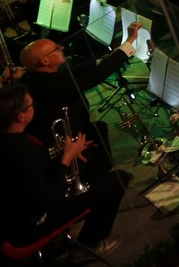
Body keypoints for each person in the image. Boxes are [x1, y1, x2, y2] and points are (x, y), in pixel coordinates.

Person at [0, 84, 127, 256]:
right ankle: (89, 244)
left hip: (4, 216)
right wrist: (66, 160)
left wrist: (65, 153)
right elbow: (45, 201)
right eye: (31, 105)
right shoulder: (26, 151)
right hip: (29, 226)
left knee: (94, 159)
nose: (34, 107)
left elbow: (26, 174)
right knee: (119, 179)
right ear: (20, 116)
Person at [19, 25, 141, 169]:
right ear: (45, 61)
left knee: (99, 128)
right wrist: (130, 40)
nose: (62, 48)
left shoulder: (34, 77)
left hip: (73, 129)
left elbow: (75, 71)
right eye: (56, 49)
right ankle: (102, 174)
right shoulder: (51, 84)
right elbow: (95, 76)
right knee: (99, 134)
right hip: (68, 142)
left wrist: (102, 60)